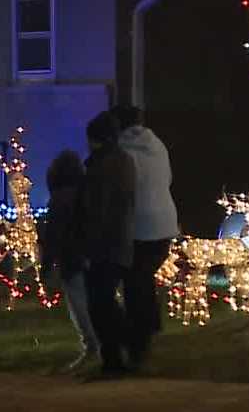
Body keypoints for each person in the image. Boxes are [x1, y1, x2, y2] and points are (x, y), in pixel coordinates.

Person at [111, 105, 180, 366]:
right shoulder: (158, 146)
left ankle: (139, 340)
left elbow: (122, 187)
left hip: (138, 226)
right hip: (164, 226)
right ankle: (147, 331)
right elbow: (168, 179)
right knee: (142, 279)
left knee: (134, 282)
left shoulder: (121, 152)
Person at [79, 111, 136, 376]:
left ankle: (119, 351)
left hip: (104, 243)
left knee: (99, 303)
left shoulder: (100, 166)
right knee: (104, 301)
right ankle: (120, 351)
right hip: (121, 239)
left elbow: (97, 208)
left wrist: (90, 244)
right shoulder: (124, 161)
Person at [38, 150, 100, 371]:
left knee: (79, 305)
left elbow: (53, 234)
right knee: (94, 302)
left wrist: (46, 265)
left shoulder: (59, 200)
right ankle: (100, 344)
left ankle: (91, 346)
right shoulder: (89, 193)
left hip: (71, 258)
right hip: (92, 255)